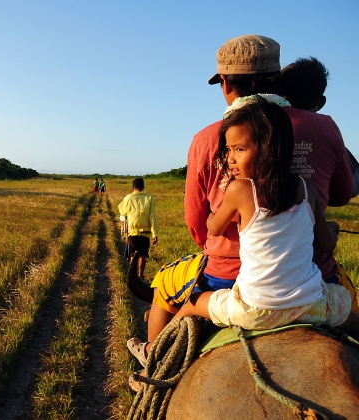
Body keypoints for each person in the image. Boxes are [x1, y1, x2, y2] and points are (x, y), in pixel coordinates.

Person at [127, 35, 354, 362]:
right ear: (278, 79)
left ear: (225, 83)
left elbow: (198, 226)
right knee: (349, 300)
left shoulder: (209, 137)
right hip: (312, 272)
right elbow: (343, 195)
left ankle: (153, 365)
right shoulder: (323, 126)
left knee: (164, 285)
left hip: (229, 275)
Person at [165, 99, 358, 340]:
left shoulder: (240, 190)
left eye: (239, 149)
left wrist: (212, 215)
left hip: (254, 309)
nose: (229, 159)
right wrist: (333, 229)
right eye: (228, 149)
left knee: (192, 303)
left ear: (268, 148)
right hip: (311, 305)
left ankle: (153, 355)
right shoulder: (307, 189)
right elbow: (328, 244)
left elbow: (213, 229)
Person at [281, 57, 359, 198]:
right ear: (321, 102)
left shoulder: (260, 120)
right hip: (310, 217)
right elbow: (344, 195)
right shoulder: (327, 127)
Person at [118, 178, 159, 279]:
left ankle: (134, 275)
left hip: (132, 231)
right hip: (145, 232)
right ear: (143, 187)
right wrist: (155, 234)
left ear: (133, 187)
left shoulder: (128, 198)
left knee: (133, 255)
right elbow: (153, 217)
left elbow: (122, 211)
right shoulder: (150, 198)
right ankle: (140, 275)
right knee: (143, 255)